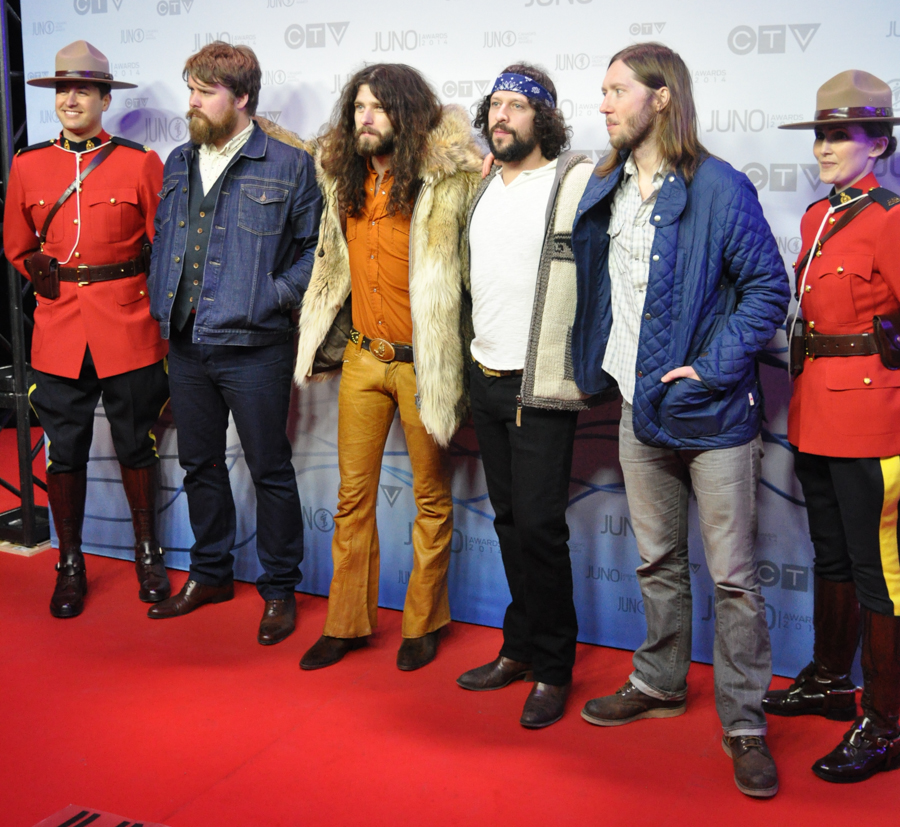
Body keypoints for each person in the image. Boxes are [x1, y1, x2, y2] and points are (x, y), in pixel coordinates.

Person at [571, 42, 790, 797]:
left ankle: (744, 723)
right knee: (656, 562)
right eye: (601, 90)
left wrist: (713, 366)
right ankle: (660, 682)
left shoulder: (719, 186)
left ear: (661, 99)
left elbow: (767, 288)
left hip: (717, 417)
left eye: (615, 90)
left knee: (732, 578)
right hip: (638, 413)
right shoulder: (606, 185)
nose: (601, 103)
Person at [294, 64, 482, 672]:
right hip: (362, 361)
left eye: (379, 107)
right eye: (358, 108)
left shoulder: (449, 182)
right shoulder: (339, 179)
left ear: (407, 113)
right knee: (353, 498)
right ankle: (347, 623)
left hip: (426, 365)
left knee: (431, 496)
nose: (366, 118)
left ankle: (425, 621)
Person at [145, 42, 321, 646]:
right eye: (189, 88)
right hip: (185, 345)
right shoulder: (176, 160)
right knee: (199, 465)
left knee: (270, 468)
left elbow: (316, 254)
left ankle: (278, 589)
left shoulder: (290, 165)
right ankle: (211, 573)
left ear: (241, 97)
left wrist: (270, 297)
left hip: (255, 347)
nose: (190, 101)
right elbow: (163, 242)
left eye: (204, 91)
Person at [761, 71, 900, 783]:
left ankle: (886, 718)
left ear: (878, 142)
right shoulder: (819, 218)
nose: (824, 147)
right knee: (831, 555)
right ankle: (828, 680)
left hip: (874, 418)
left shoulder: (892, 219)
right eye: (819, 133)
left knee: (880, 574)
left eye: (840, 134)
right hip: (814, 407)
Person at [3, 40, 170, 618]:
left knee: (136, 444)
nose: (70, 99)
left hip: (128, 323)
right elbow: (18, 246)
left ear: (104, 98)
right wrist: (45, 274)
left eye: (82, 90)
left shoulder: (139, 162)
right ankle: (68, 562)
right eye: (62, 91)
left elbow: (164, 243)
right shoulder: (28, 166)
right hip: (59, 330)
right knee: (65, 452)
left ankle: (148, 553)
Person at [454, 64, 596, 728]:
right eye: (495, 105)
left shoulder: (571, 184)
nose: (501, 115)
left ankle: (554, 666)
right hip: (484, 376)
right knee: (509, 521)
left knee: (541, 526)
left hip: (538, 383)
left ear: (545, 117)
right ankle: (518, 646)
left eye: (516, 105)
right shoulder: (480, 186)